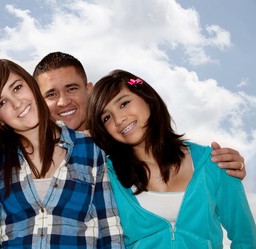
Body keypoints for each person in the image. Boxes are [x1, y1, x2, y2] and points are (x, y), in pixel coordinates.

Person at [86, 69, 256, 249]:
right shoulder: (106, 177)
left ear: (147, 97)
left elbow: (248, 242)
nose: (119, 119)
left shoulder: (213, 162)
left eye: (124, 103)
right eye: (106, 117)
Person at [0, 59, 126, 249]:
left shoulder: (90, 149)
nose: (17, 104)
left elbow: (109, 230)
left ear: (32, 85)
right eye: (1, 103)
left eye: (17, 88)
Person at [32, 51, 247, 179]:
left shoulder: (122, 138)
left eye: (71, 89)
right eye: (51, 94)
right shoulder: (31, 154)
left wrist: (220, 168)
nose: (63, 101)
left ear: (89, 90)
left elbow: (170, 158)